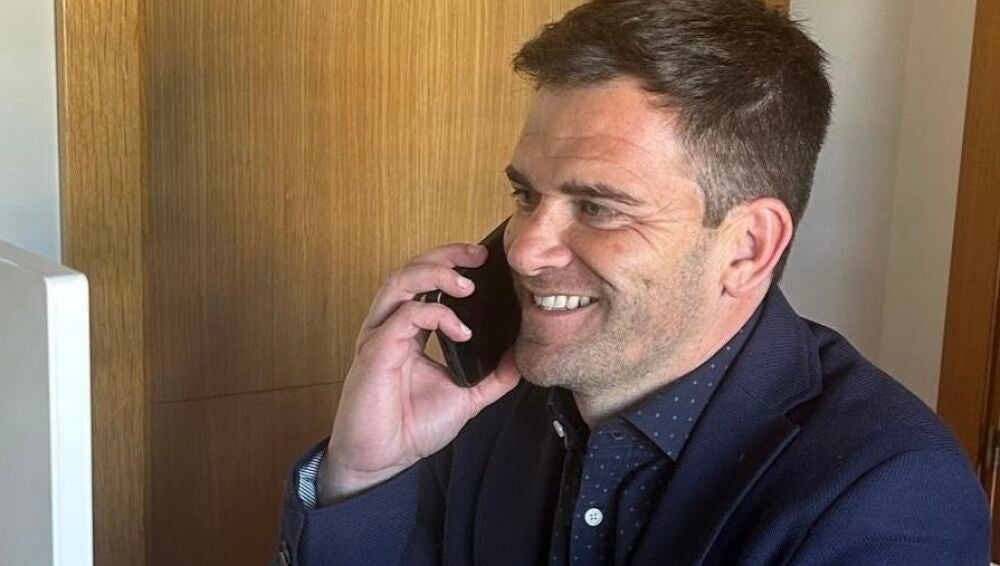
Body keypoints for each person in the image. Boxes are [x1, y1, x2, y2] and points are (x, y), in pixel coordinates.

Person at [274, 1, 990, 564]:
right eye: (526, 196)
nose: (524, 250)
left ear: (748, 247)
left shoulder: (886, 495)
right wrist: (363, 474)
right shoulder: (487, 401)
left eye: (597, 207)